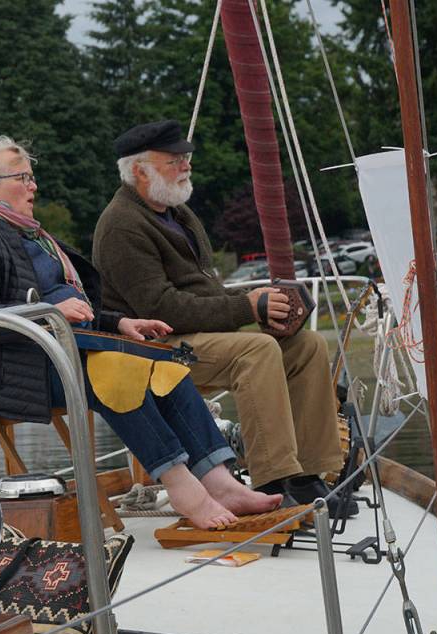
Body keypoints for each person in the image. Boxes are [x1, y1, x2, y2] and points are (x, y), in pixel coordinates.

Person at [0, 135, 281, 529]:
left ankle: (220, 482)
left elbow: (74, 309)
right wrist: (49, 312)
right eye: (23, 177)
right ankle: (182, 486)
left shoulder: (26, 234)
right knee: (119, 371)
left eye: (32, 177)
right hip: (16, 368)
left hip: (67, 352)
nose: (34, 186)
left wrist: (118, 323)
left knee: (164, 365)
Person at [92, 120, 353, 517]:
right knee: (258, 350)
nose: (186, 166)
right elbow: (162, 308)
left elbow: (203, 291)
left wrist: (262, 302)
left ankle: (311, 473)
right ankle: (272, 478)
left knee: (306, 345)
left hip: (190, 338)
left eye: (186, 158)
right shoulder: (120, 225)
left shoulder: (177, 215)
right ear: (140, 170)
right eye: (174, 160)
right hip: (153, 349)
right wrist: (248, 307)